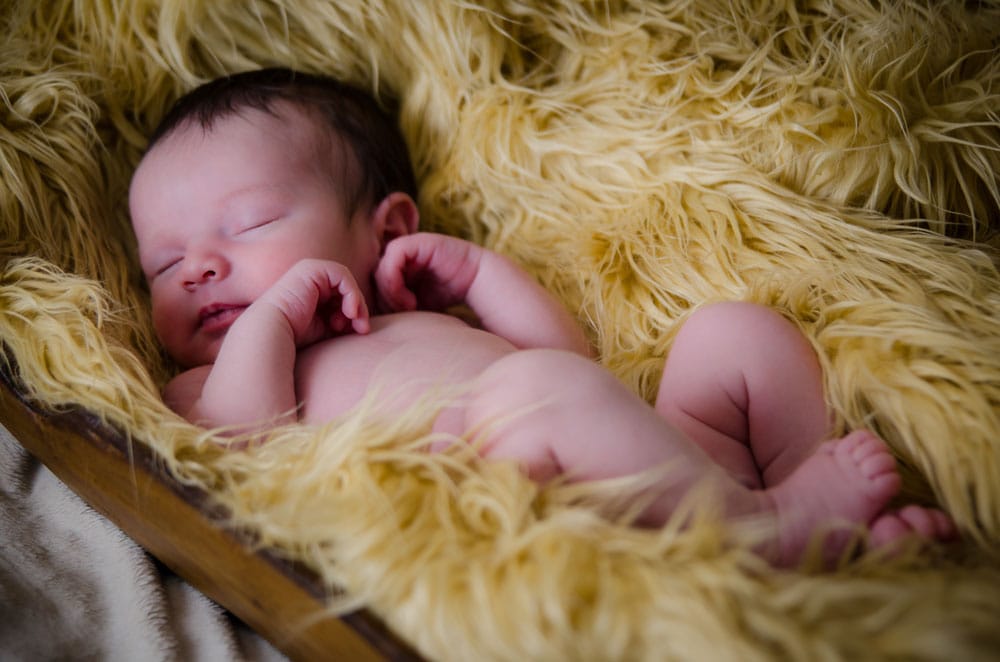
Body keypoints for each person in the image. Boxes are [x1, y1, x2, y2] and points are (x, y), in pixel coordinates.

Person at [128, 68, 956, 566]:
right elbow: (238, 448)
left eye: (249, 225)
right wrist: (272, 314)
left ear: (386, 230)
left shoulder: (420, 318)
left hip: (653, 473)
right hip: (525, 509)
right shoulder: (211, 381)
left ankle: (804, 508)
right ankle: (772, 530)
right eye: (165, 264)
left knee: (732, 334)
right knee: (536, 388)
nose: (199, 266)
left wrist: (482, 273)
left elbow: (576, 366)